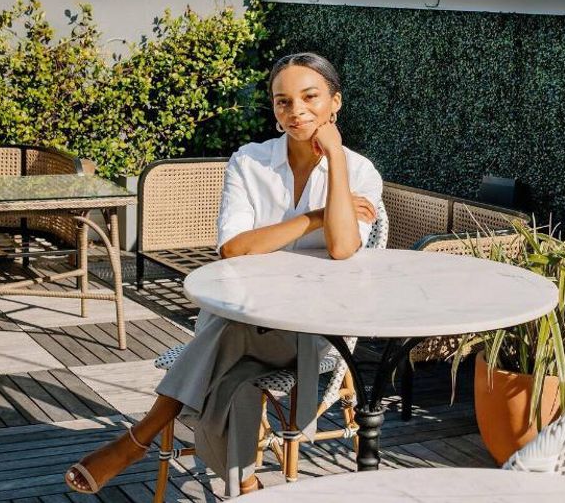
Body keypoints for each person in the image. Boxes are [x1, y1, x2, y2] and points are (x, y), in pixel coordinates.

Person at [64, 52, 383, 497]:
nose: (296, 111)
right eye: (283, 101)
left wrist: (335, 159)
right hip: (245, 318)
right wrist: (314, 217)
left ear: (335, 103)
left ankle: (139, 438)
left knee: (223, 333)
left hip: (311, 330)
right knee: (232, 380)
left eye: (310, 97)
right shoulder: (249, 162)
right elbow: (234, 248)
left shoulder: (360, 171)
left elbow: (343, 246)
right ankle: (245, 486)